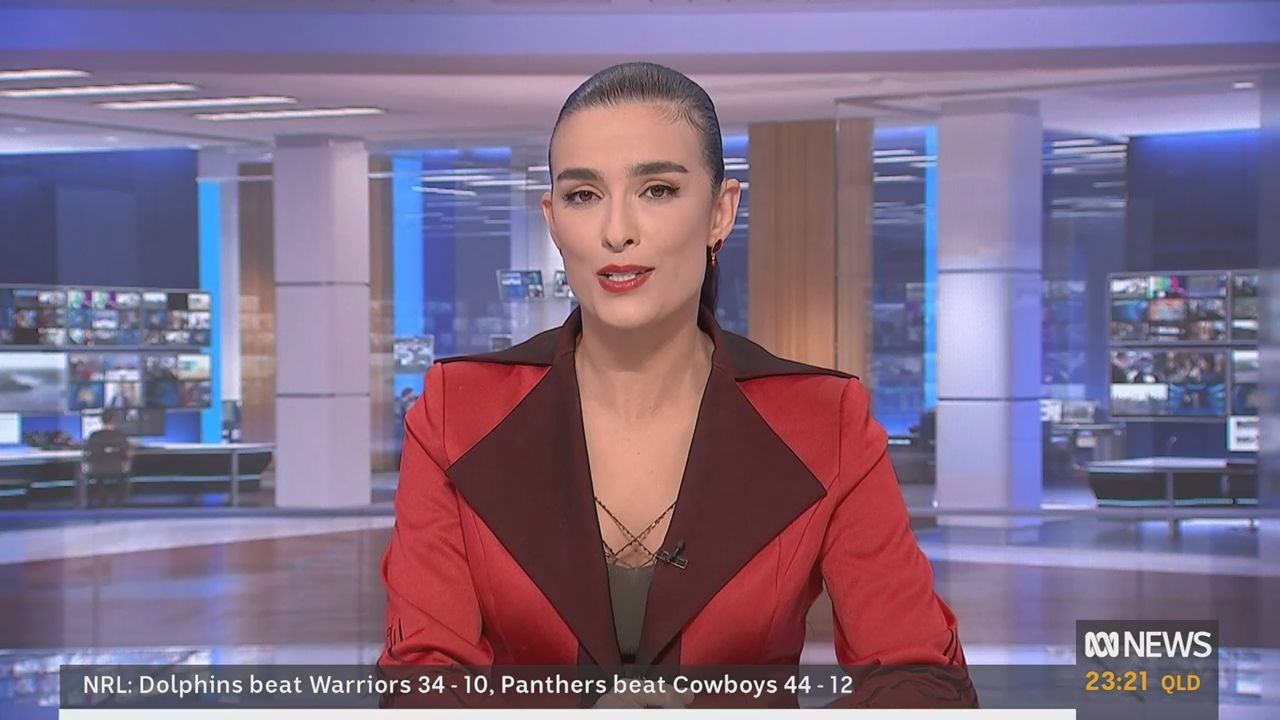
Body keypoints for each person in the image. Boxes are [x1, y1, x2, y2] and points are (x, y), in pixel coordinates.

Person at [379, 62, 972, 708]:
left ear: (721, 212)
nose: (616, 230)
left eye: (657, 190)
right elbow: (419, 685)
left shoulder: (823, 420)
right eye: (584, 195)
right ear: (552, 220)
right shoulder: (457, 412)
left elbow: (924, 680)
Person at [84, 410, 132, 508]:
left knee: (97, 479)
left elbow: (87, 453)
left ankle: (103, 500)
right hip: (117, 469)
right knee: (126, 478)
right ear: (114, 420)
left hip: (97, 470)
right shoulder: (120, 436)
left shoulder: (94, 436)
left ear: (101, 420)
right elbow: (128, 454)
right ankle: (118, 503)